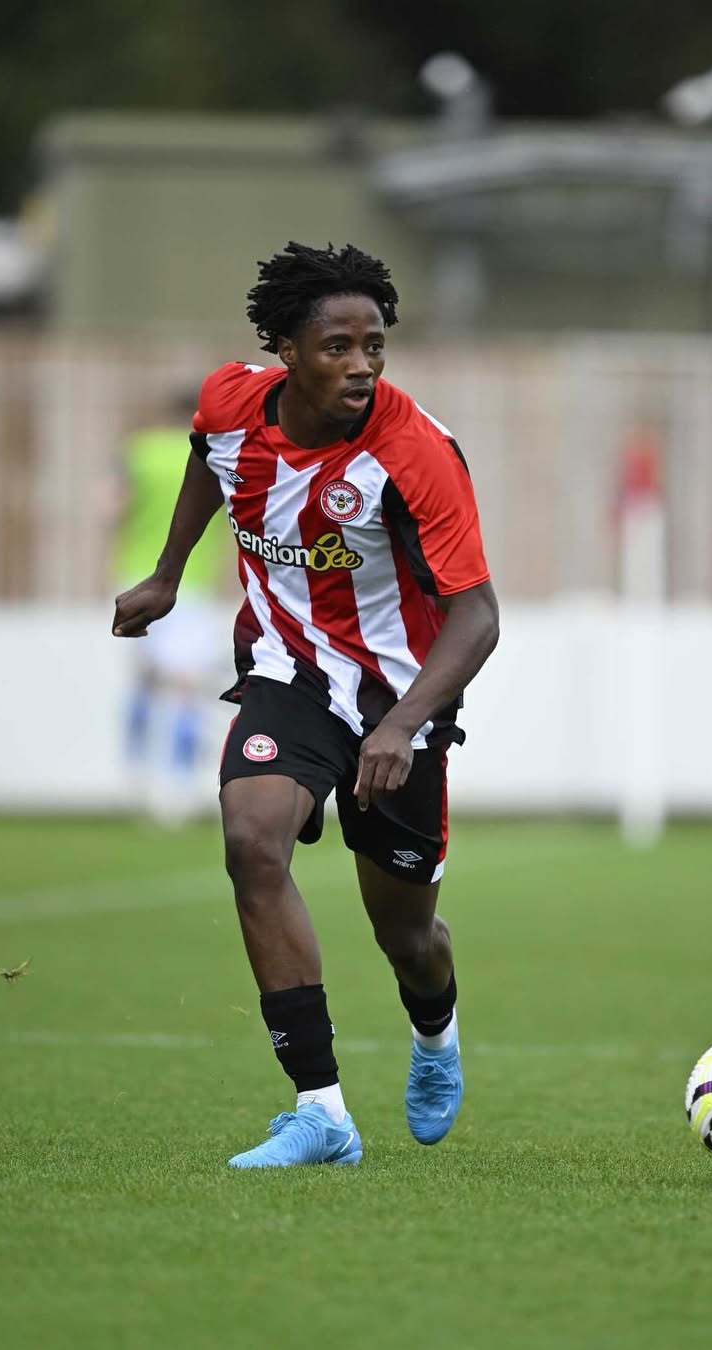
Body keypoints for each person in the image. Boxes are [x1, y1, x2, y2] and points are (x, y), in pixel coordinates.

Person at [112, 241, 500, 1168]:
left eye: (375, 345)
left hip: (399, 697)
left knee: (406, 935)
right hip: (288, 677)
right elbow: (216, 460)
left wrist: (404, 724)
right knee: (252, 840)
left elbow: (477, 616)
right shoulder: (228, 402)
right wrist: (170, 574)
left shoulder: (417, 454)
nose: (362, 365)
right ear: (285, 347)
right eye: (338, 346)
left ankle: (436, 1036)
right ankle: (321, 1110)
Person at [109, 395, 231, 826]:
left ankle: (134, 780)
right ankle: (177, 794)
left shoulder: (139, 451)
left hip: (134, 576)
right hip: (188, 584)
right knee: (185, 686)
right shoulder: (214, 455)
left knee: (144, 681)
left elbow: (111, 508)